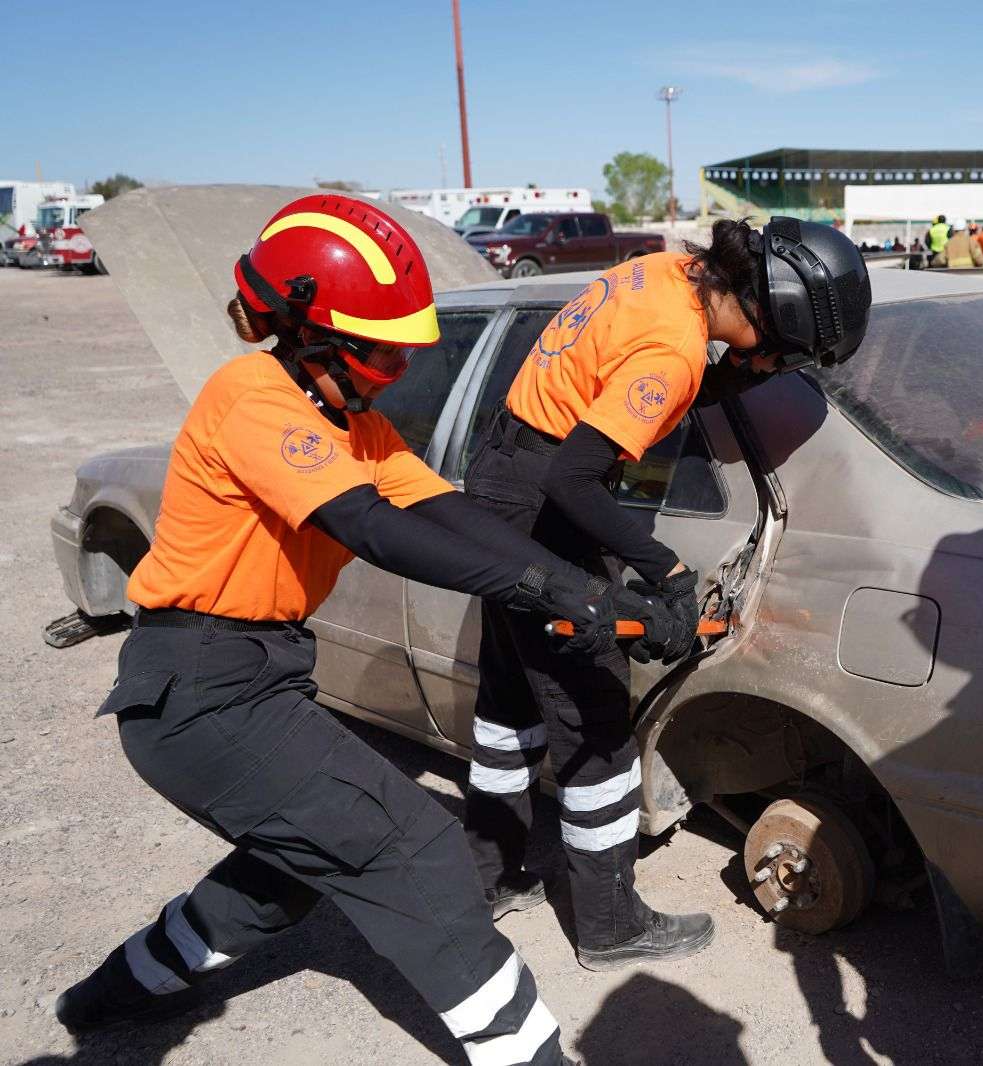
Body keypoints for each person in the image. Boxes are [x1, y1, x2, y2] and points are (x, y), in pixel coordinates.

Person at [49, 195, 635, 1065]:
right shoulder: (250, 396)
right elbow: (371, 528)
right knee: (418, 851)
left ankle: (108, 994)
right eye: (382, 352)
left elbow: (453, 517)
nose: (395, 370)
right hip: (198, 690)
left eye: (404, 353)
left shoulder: (356, 426)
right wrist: (537, 588)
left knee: (293, 867)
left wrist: (583, 587)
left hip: (256, 676)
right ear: (307, 333)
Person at [462, 217, 872, 972]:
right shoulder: (677, 348)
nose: (778, 365)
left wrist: (737, 374)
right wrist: (669, 572)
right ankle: (610, 924)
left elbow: (626, 389)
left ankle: (488, 880)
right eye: (788, 352)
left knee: (510, 705)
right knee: (593, 718)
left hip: (500, 482)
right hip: (543, 506)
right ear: (775, 316)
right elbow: (574, 478)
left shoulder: (666, 275)